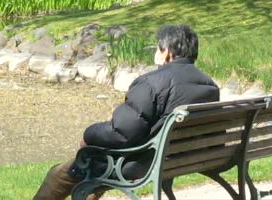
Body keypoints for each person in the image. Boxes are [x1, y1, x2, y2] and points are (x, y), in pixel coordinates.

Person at [32, 24, 219, 200]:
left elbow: (122, 133)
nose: (155, 53)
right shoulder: (208, 84)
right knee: (91, 170)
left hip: (142, 163)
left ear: (167, 52)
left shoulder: (151, 82)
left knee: (61, 173)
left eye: (157, 48)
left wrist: (89, 134)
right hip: (181, 158)